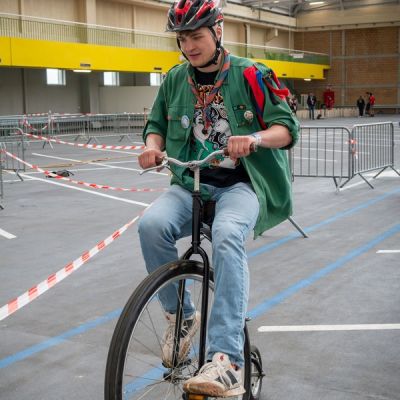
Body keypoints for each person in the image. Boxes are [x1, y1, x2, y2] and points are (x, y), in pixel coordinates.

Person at [137, 0, 299, 397]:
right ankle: (181, 317)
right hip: (190, 182)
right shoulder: (175, 79)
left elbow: (287, 128)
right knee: (151, 225)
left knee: (227, 235)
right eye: (182, 39)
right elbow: (156, 125)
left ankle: (227, 360)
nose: (189, 46)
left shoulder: (252, 74)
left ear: (218, 31)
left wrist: (255, 138)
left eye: (196, 36)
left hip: (241, 185)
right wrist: (152, 147)